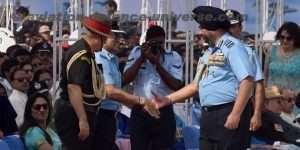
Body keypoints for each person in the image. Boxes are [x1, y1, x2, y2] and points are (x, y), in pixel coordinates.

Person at [153, 6, 254, 150]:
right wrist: (167, 100)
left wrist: (235, 114)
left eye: (201, 27)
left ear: (211, 27)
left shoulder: (234, 47)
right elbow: (196, 85)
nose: (199, 32)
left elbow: (247, 81)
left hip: (227, 112)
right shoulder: (209, 52)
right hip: (208, 116)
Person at [55, 13, 115, 150]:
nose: (105, 42)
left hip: (81, 112)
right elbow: (73, 87)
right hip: (75, 115)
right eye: (105, 38)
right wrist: (82, 119)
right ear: (98, 37)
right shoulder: (81, 54)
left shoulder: (86, 52)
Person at [93, 28, 159, 149]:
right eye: (115, 37)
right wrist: (141, 101)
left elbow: (119, 89)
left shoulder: (111, 60)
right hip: (101, 116)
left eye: (122, 36)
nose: (120, 40)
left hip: (110, 116)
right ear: (102, 38)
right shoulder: (101, 59)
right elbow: (111, 92)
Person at [123, 25, 183, 149]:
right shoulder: (137, 52)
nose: (158, 46)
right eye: (154, 43)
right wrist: (142, 58)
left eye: (161, 42)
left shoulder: (173, 56)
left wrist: (156, 65)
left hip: (163, 112)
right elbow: (124, 80)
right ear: (146, 42)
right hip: (140, 111)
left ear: (165, 41)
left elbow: (176, 85)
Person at [225, 8, 264, 139]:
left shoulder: (249, 51)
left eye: (233, 26)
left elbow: (258, 84)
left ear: (240, 27)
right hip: (216, 109)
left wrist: (257, 113)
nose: (229, 29)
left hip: (240, 107)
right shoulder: (212, 51)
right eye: (226, 26)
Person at [264, 22, 300, 96]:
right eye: (282, 37)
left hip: (293, 102)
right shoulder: (271, 51)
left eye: (289, 38)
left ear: (295, 39)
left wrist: (293, 94)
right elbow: (265, 76)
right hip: (272, 100)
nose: (285, 40)